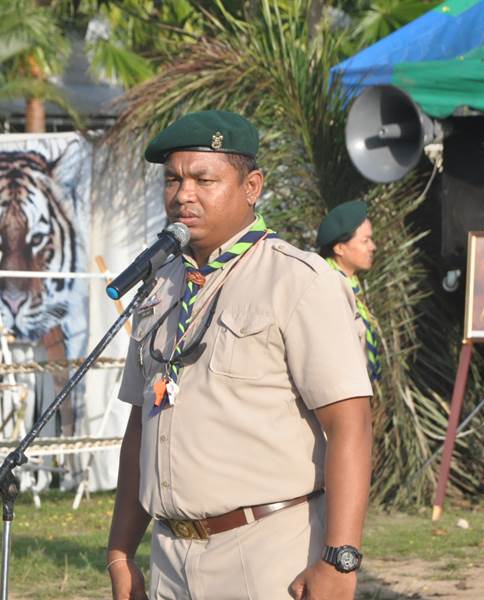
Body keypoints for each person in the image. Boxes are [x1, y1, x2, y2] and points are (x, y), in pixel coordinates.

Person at [105, 110, 373, 599]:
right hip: (170, 557)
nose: (183, 195)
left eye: (203, 179)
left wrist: (340, 559)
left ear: (252, 186)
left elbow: (349, 424)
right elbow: (141, 426)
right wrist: (120, 553)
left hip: (266, 551)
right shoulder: (161, 287)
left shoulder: (298, 280)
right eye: (172, 180)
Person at [316, 200, 381, 381]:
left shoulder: (351, 284)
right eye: (365, 241)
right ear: (340, 248)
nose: (373, 247)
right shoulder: (328, 290)